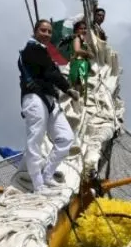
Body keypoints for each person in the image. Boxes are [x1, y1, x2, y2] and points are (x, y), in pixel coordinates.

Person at [18, 19, 77, 193]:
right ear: (35, 31)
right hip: (35, 98)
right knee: (35, 139)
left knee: (66, 137)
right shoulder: (32, 49)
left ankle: (47, 175)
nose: (46, 34)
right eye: (43, 30)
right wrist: (68, 89)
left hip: (50, 99)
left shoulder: (43, 52)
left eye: (49, 32)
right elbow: (50, 72)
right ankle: (38, 185)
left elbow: (50, 70)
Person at [67, 19, 93, 93]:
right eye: (81, 28)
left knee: (81, 84)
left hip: (83, 63)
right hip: (78, 63)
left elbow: (92, 55)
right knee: (78, 82)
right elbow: (77, 49)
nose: (84, 30)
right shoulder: (77, 38)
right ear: (76, 30)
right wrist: (88, 54)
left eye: (85, 28)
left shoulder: (84, 41)